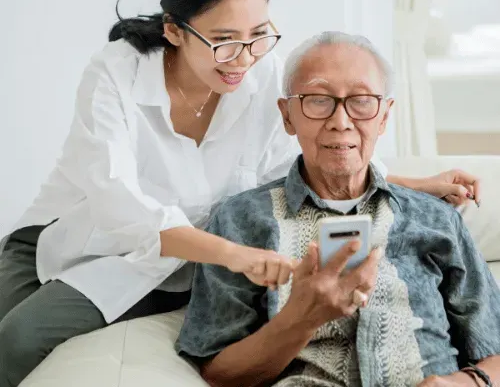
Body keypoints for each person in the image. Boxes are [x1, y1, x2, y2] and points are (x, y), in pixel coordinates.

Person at [0, 0, 480, 387]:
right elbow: (118, 206)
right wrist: (236, 255)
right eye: (223, 39)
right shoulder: (116, 74)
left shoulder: (260, 73)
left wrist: (416, 182)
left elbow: (303, 155)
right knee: (13, 339)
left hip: (183, 259)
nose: (242, 58)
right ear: (173, 29)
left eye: (258, 35)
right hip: (80, 236)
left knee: (19, 339)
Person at [176, 31, 500, 387]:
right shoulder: (239, 221)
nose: (340, 121)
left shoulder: (436, 218)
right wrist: (300, 318)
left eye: (361, 101)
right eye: (317, 100)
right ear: (287, 115)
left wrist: (465, 384)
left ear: (384, 116)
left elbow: (493, 347)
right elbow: (219, 372)